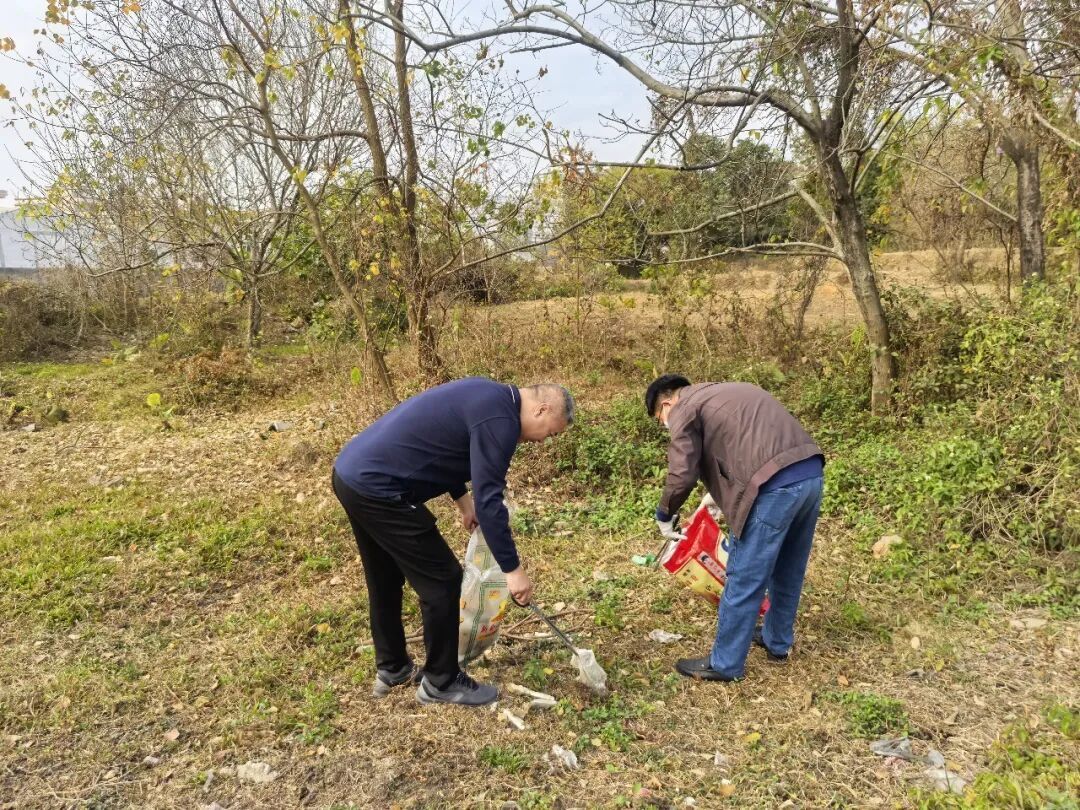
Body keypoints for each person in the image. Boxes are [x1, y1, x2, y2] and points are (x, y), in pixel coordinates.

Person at [332, 378, 574, 707]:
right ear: (541, 410)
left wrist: (463, 502)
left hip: (352, 474)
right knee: (443, 580)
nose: (543, 441)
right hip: (380, 488)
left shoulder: (489, 396)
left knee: (384, 577)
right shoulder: (501, 420)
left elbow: (444, 447)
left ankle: (393, 668)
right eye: (551, 433)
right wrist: (513, 570)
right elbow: (490, 502)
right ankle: (441, 681)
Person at [647, 374, 824, 681]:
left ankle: (725, 664)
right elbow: (746, 448)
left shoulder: (683, 407)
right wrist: (715, 498)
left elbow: (682, 472)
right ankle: (777, 642)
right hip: (810, 474)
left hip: (774, 489)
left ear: (666, 403)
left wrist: (665, 513)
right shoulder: (730, 390)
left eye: (659, 419)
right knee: (789, 568)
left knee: (744, 576)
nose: (665, 424)